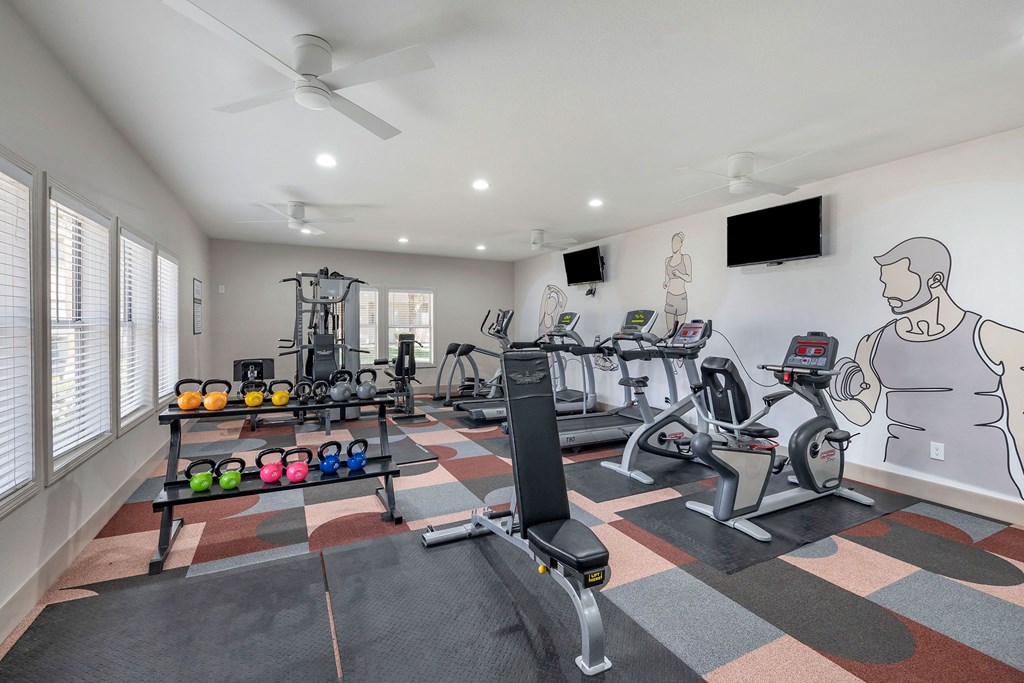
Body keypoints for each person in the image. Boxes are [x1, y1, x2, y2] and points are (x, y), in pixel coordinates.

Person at [829, 237, 1024, 499]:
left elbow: (1020, 421)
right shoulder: (873, 343)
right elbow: (862, 413)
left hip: (989, 478)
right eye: (885, 283)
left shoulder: (995, 338)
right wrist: (831, 390)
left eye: (897, 283)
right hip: (897, 477)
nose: (887, 293)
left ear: (935, 280)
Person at [663, 232, 692, 333]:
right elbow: (667, 276)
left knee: (680, 331)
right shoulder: (667, 260)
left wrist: (679, 274)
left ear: (681, 244)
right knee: (670, 331)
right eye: (673, 243)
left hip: (681, 297)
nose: (674, 245)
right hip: (670, 296)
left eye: (676, 242)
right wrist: (665, 282)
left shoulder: (686, 258)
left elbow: (689, 278)